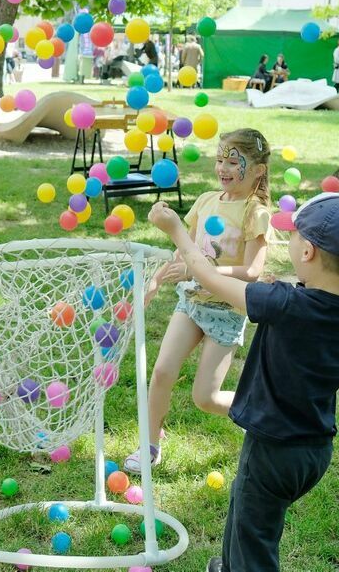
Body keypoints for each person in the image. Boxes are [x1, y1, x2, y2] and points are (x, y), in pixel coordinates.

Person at [149, 191, 339, 572]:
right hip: (313, 448)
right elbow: (307, 301)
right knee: (245, 516)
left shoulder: (285, 303)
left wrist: (175, 230)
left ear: (308, 254)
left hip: (273, 449)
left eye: (296, 236)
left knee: (255, 539)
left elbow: (204, 275)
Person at [125, 128, 271, 474]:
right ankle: (150, 443)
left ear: (258, 170)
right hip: (191, 303)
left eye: (233, 162)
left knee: (205, 398)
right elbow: (183, 249)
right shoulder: (206, 201)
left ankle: (261, 411)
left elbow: (252, 271)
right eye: (220, 159)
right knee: (161, 371)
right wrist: (156, 280)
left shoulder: (256, 213)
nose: (223, 168)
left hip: (225, 310)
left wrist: (199, 272)